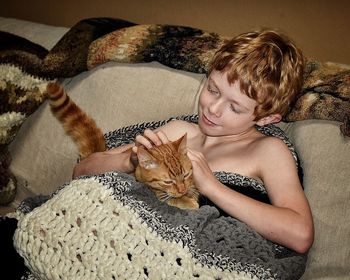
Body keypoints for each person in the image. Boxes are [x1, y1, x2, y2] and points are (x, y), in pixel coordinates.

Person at [73, 29, 314, 254]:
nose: (213, 108)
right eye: (213, 89)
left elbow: (300, 235)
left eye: (235, 107)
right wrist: (130, 160)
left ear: (266, 118)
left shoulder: (267, 151)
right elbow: (81, 171)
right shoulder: (178, 131)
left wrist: (211, 186)